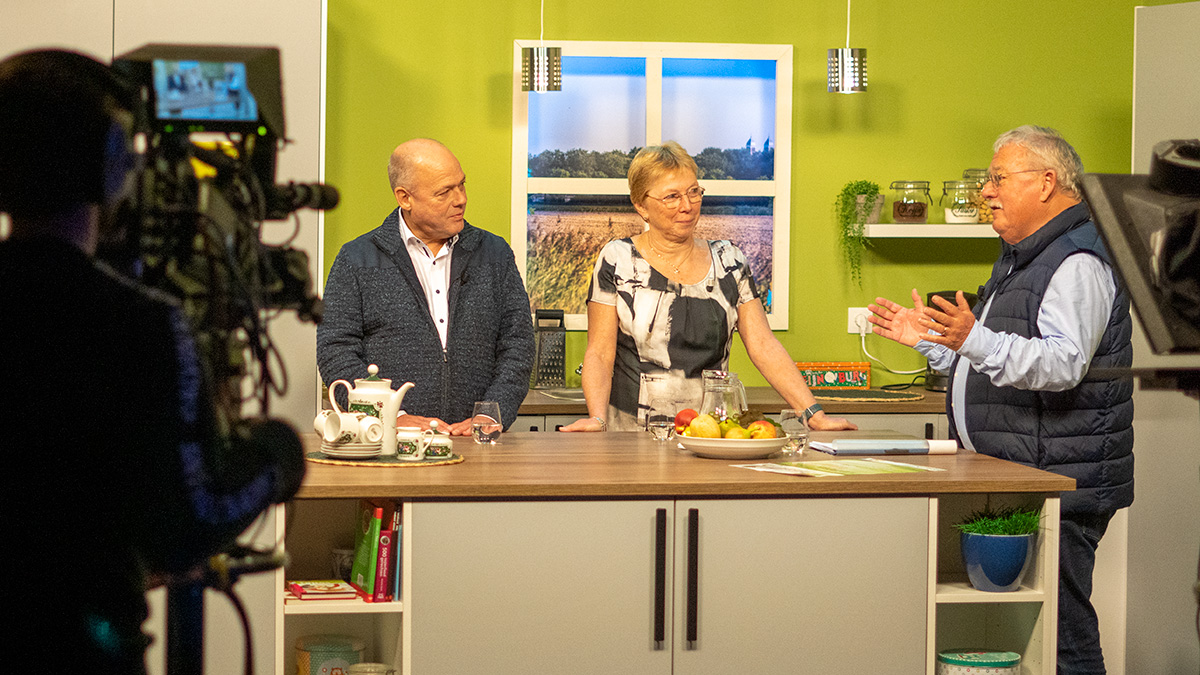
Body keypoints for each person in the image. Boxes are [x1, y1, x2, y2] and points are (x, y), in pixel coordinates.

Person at [0, 49, 304, 674]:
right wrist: (278, 454)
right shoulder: (135, 323)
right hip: (84, 654)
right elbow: (194, 518)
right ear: (114, 165)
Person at [867, 125, 1132, 675]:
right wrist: (931, 340)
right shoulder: (1023, 257)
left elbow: (1062, 365)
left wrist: (971, 338)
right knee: (1035, 629)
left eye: (998, 178)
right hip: (1026, 473)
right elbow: (995, 363)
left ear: (1046, 183)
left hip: (1059, 480)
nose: (986, 191)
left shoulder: (1077, 260)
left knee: (1063, 634)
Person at [560, 141, 855, 433]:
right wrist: (596, 418)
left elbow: (764, 346)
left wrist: (813, 413)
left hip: (715, 433)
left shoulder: (729, 260)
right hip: (632, 437)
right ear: (641, 205)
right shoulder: (617, 258)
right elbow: (599, 353)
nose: (687, 206)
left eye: (693, 192)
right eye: (672, 196)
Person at [317, 138, 534, 435]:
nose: (460, 199)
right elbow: (335, 351)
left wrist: (493, 413)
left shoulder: (494, 254)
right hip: (389, 445)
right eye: (445, 192)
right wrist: (389, 416)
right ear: (405, 198)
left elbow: (518, 343)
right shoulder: (357, 259)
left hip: (478, 445)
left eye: (461, 185)